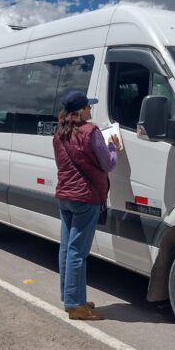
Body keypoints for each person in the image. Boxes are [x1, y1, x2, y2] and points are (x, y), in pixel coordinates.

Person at [53, 91, 119, 320]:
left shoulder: (59, 132)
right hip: (85, 197)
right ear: (80, 110)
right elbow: (108, 164)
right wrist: (113, 147)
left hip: (65, 196)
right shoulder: (91, 132)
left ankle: (72, 298)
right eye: (88, 107)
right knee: (78, 253)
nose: (91, 111)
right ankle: (75, 305)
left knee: (66, 249)